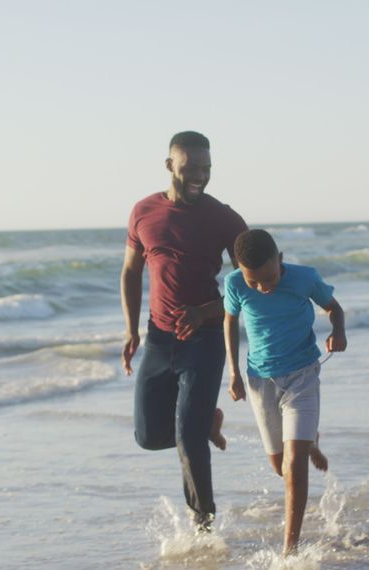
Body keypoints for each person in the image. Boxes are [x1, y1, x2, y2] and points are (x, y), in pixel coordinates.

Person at [121, 131, 248, 532]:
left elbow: (253, 280)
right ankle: (206, 422)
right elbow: (130, 270)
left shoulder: (223, 217)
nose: (199, 175)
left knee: (188, 439)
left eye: (206, 168)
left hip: (205, 338)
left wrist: (206, 311)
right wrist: (130, 331)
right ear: (169, 165)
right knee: (147, 435)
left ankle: (203, 525)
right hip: (158, 338)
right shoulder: (143, 211)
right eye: (191, 167)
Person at [224, 229, 345, 555]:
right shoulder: (235, 284)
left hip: (303, 376)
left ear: (280, 260)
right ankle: (309, 439)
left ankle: (289, 550)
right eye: (255, 282)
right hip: (260, 381)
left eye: (270, 278)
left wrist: (339, 331)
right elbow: (230, 322)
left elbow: (334, 307)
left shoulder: (305, 278)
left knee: (294, 465)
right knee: (280, 467)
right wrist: (233, 372)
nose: (264, 287)